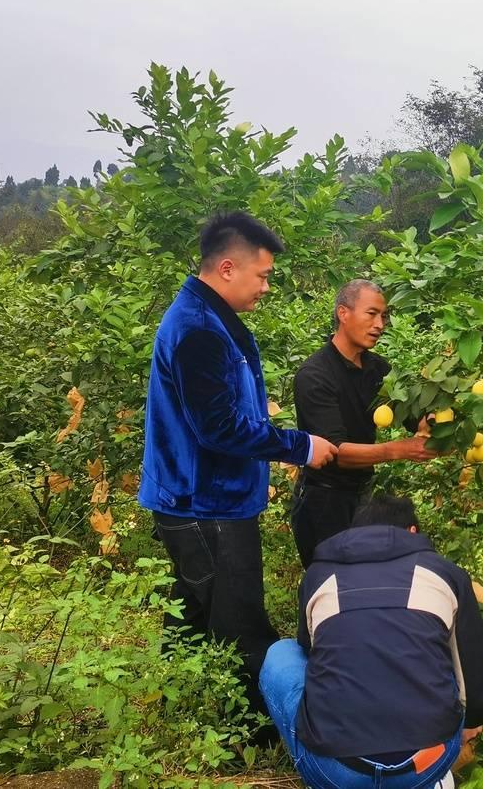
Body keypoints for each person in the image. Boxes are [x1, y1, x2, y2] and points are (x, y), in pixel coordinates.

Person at [138, 211, 338, 721]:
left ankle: (178, 713)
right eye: (263, 275)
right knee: (239, 624)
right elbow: (219, 428)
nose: (266, 287)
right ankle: (249, 733)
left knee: (194, 611)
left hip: (200, 498)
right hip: (206, 503)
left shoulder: (212, 320)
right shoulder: (198, 330)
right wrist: (300, 446)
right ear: (227, 268)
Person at [259, 495, 483, 789]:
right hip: (426, 763)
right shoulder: (445, 574)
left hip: (334, 770)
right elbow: (476, 680)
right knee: (444, 659)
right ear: (412, 532)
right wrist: (472, 720)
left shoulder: (319, 575)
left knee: (280, 653)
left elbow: (309, 650)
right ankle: (433, 782)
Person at [290, 280, 438, 566]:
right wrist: (399, 450)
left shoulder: (377, 369)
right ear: (343, 313)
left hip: (362, 498)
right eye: (371, 314)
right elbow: (335, 452)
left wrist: (435, 419)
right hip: (323, 503)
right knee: (332, 589)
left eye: (383, 316)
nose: (380, 324)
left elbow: (411, 415)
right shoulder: (314, 375)